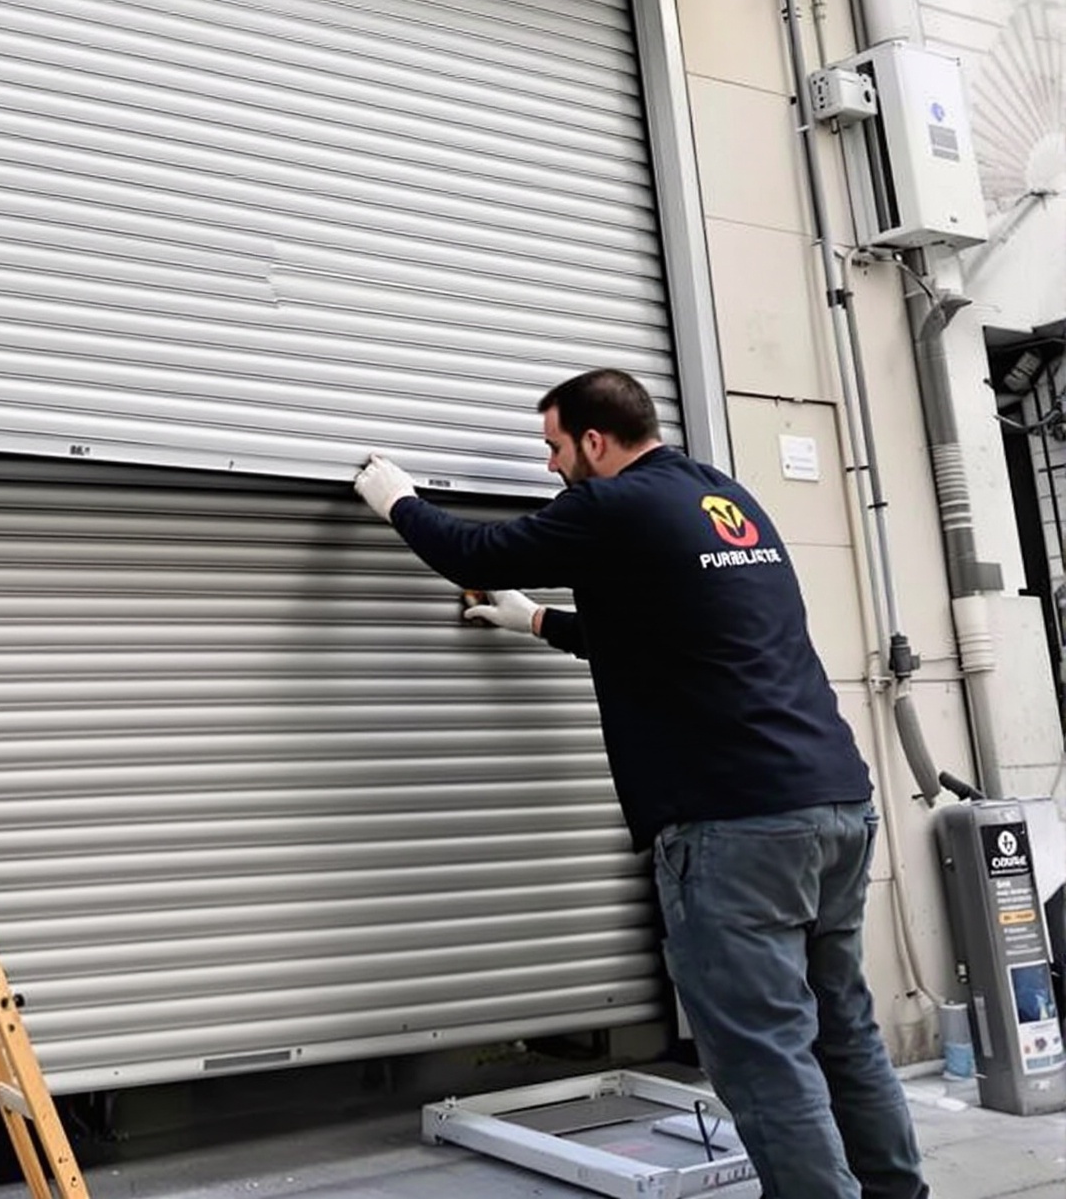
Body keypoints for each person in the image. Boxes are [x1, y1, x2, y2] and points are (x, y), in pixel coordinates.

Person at [352, 368, 926, 1199]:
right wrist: (537, 619)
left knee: (763, 1054)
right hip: (834, 802)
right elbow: (670, 631)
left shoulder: (611, 505)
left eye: (554, 447)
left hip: (736, 826)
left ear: (594, 440)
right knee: (843, 1032)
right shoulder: (720, 497)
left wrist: (400, 501)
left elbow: (472, 553)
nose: (550, 466)